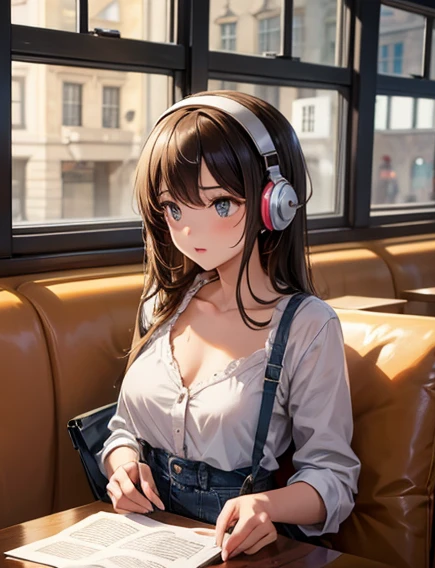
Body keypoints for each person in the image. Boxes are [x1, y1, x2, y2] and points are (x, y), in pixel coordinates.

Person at [95, 91, 360, 562]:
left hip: (238, 552)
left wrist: (266, 506)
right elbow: (123, 430)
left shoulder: (308, 327)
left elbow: (333, 477)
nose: (189, 231)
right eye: (173, 209)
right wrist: (122, 469)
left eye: (219, 204)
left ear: (274, 203)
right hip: (142, 544)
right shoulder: (162, 304)